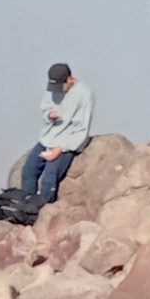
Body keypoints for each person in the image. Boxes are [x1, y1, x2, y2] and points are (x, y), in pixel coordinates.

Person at [20, 63, 92, 209]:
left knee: (49, 177)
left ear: (69, 79)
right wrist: (49, 115)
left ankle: (44, 211)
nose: (56, 91)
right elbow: (45, 107)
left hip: (67, 143)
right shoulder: (52, 89)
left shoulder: (84, 94)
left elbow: (81, 130)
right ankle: (26, 208)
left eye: (60, 86)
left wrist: (61, 148)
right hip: (48, 138)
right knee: (29, 170)